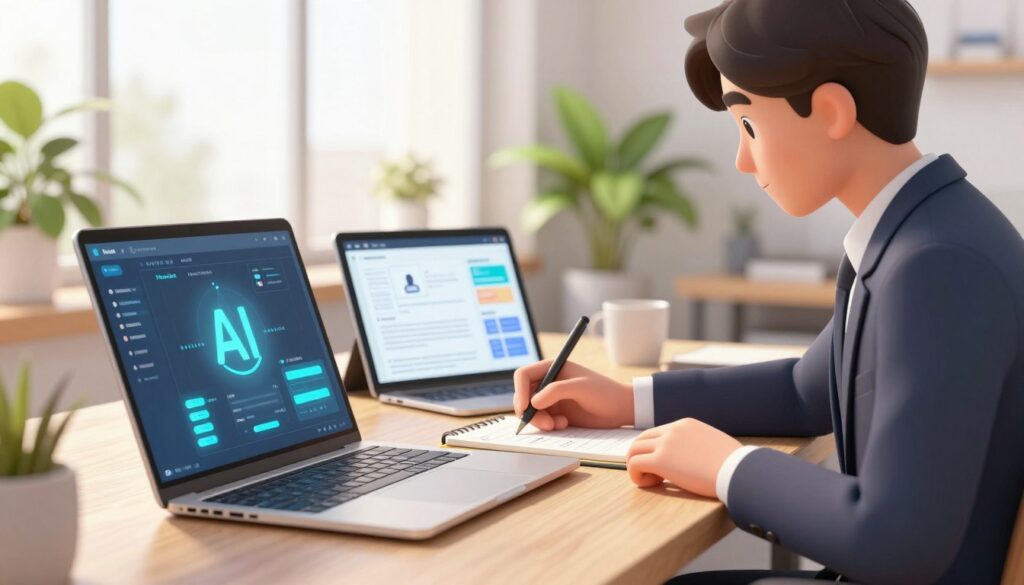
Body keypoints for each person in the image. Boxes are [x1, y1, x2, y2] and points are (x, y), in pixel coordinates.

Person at [513, 1, 1024, 583]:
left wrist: (727, 466)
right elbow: (804, 391)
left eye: (749, 124)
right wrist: (626, 401)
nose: (741, 158)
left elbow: (898, 539)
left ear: (831, 110)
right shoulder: (920, 231)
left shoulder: (937, 265)